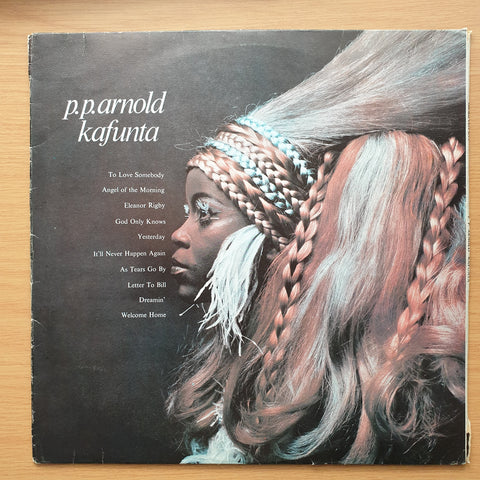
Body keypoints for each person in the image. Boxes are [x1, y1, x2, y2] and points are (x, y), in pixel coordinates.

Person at [168, 30, 467, 464]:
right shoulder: (256, 366)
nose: (179, 234)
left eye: (205, 212)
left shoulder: (318, 402)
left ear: (274, 235)